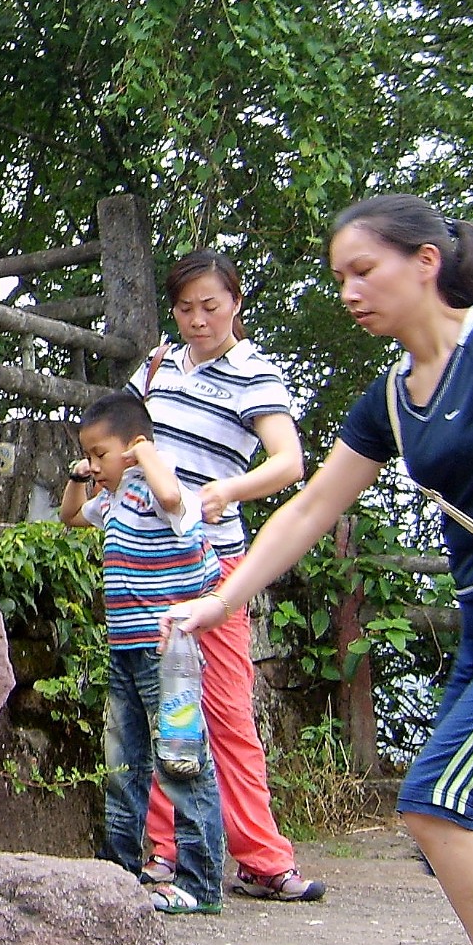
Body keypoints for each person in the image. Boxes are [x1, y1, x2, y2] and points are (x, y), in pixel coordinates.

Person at [166, 196, 473, 945]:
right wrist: (223, 599)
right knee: (453, 838)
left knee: (437, 802)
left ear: (426, 261)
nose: (349, 292)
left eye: (364, 270)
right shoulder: (391, 396)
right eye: (339, 278)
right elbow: (311, 507)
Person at [129, 249, 324, 903]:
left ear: (235, 303)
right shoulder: (157, 363)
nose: (198, 319)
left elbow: (289, 462)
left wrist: (230, 489)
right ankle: (166, 851)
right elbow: (122, 431)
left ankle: (263, 859)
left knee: (227, 710)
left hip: (215, 564)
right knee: (166, 706)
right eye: (185, 308)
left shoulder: (254, 372)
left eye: (210, 306)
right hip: (147, 559)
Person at [63, 390, 226, 914]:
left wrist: (146, 454)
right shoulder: (111, 499)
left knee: (182, 762)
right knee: (122, 763)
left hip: (168, 657)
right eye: (88, 455)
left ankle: (200, 883)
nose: (94, 464)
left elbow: (174, 499)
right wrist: (79, 476)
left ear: (133, 448)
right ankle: (119, 869)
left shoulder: (159, 488)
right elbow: (70, 516)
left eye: (99, 454)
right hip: (125, 652)